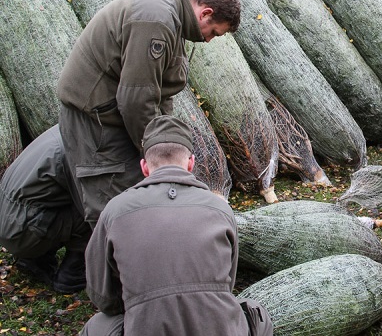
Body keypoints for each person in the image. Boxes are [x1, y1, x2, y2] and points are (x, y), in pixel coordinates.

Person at [55, 0, 240, 291]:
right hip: (96, 119)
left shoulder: (172, 18)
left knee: (124, 193)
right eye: (214, 32)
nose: (209, 39)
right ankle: (120, 291)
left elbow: (159, 91)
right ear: (205, 13)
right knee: (112, 200)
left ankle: (89, 270)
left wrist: (165, 139)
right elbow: (136, 100)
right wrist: (160, 158)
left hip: (112, 114)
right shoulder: (157, 21)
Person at [80, 115, 273, 336]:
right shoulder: (221, 210)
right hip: (217, 329)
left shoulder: (115, 211)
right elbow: (226, 284)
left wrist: (139, 305)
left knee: (97, 326)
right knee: (258, 314)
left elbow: (102, 296)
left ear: (144, 167)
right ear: (191, 163)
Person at [0, 125, 91, 292]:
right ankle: (72, 274)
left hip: (11, 220)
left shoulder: (67, 125)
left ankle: (35, 258)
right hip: (23, 228)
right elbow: (92, 204)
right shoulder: (82, 144)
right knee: (94, 207)